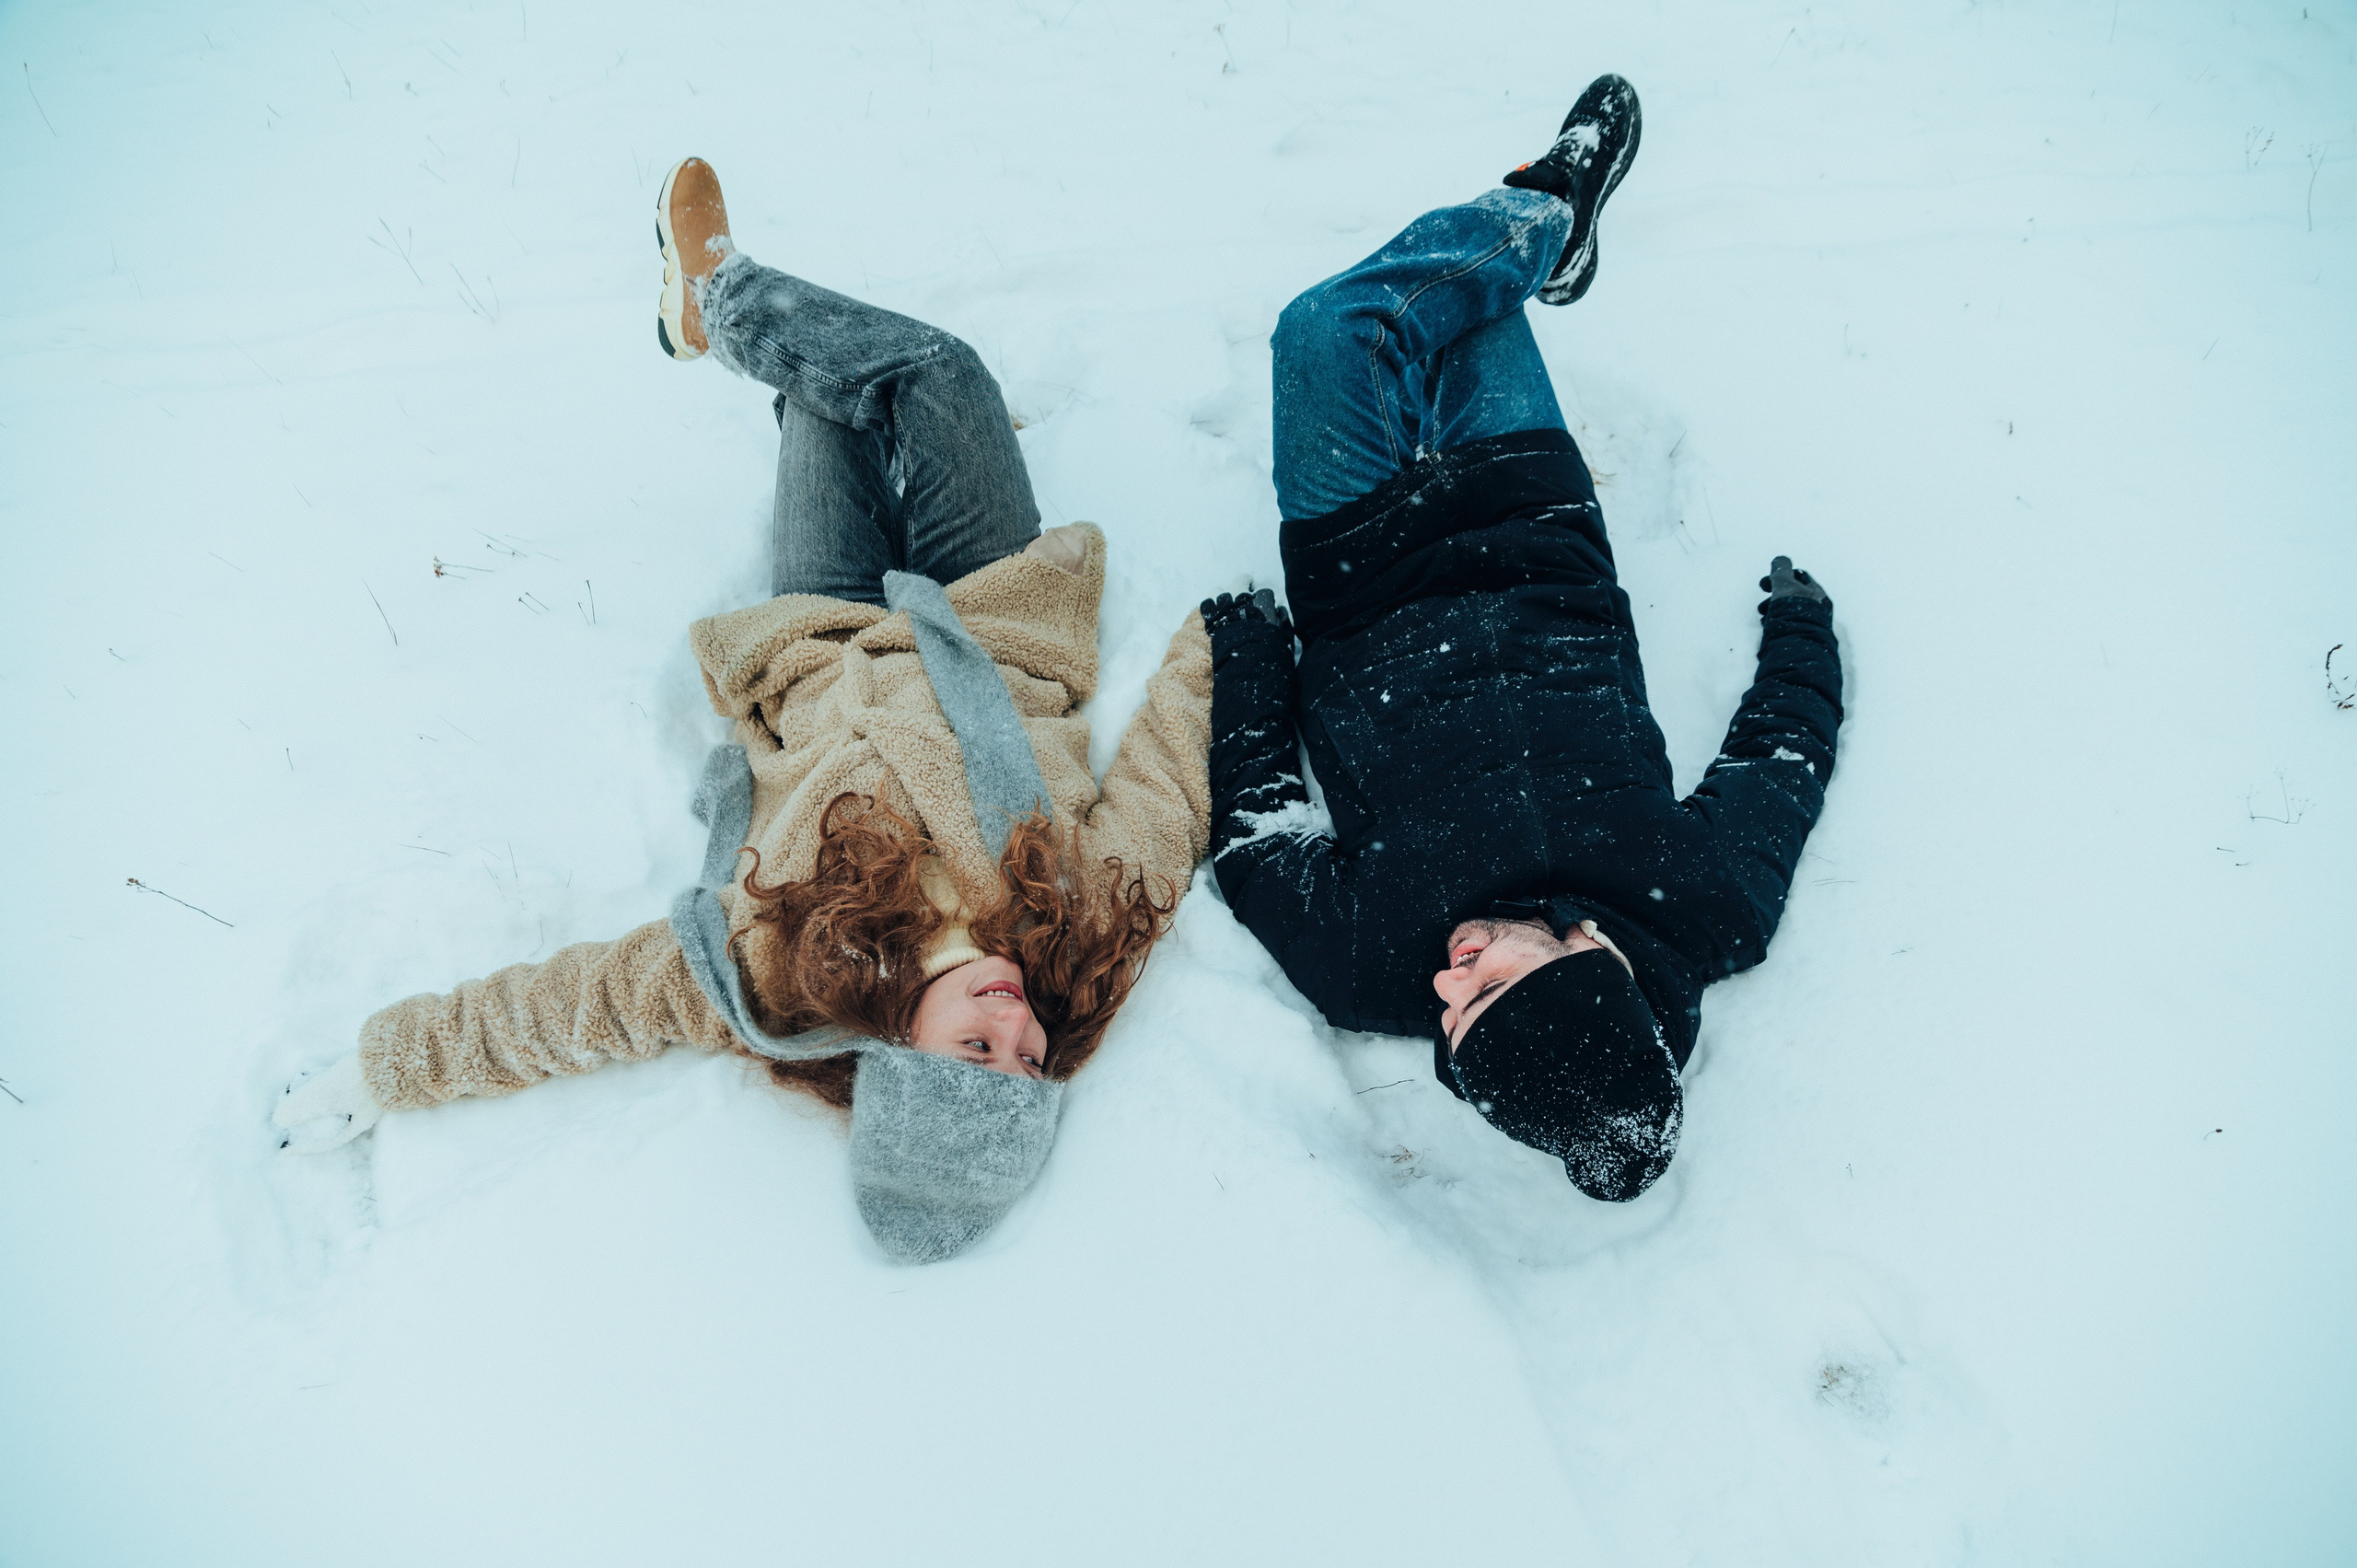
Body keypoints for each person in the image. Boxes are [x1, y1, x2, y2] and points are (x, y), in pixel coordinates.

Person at [273, 158, 1213, 1262]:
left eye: (976, 1050)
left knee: (822, 410)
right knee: (939, 374)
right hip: (996, 612)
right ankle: (721, 294)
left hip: (816, 640)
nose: (1014, 1021)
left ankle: (758, 340)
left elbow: (569, 1010)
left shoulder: (775, 967)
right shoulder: (1084, 924)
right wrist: (1227, 638)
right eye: (1028, 1057)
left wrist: (381, 1067)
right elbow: (1165, 787)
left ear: (901, 1046)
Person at [1201, 76, 1844, 1202]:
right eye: (1492, 984)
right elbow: (1778, 761)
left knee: (1331, 326)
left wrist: (1250, 662)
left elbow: (1256, 834)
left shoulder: (1365, 965)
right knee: (1472, 309)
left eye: (1455, 1022)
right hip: (1533, 529)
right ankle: (1542, 224)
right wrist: (1802, 625)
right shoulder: (1704, 908)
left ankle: (1546, 209)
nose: (1450, 985)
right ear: (1589, 957)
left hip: (1360, 571)